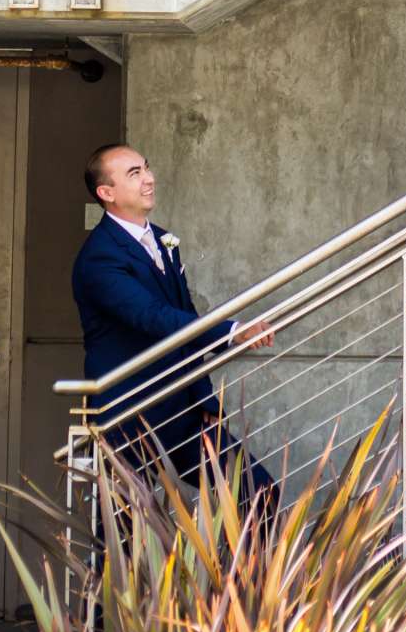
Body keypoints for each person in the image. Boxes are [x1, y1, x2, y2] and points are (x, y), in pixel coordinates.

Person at [71, 143, 276, 495]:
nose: (149, 179)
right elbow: (153, 317)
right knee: (125, 531)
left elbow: (185, 317)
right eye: (134, 174)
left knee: (257, 492)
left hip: (182, 408)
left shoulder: (163, 239)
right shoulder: (99, 257)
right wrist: (232, 333)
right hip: (129, 411)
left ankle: (231, 554)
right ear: (107, 193)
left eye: (146, 168)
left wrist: (205, 398)